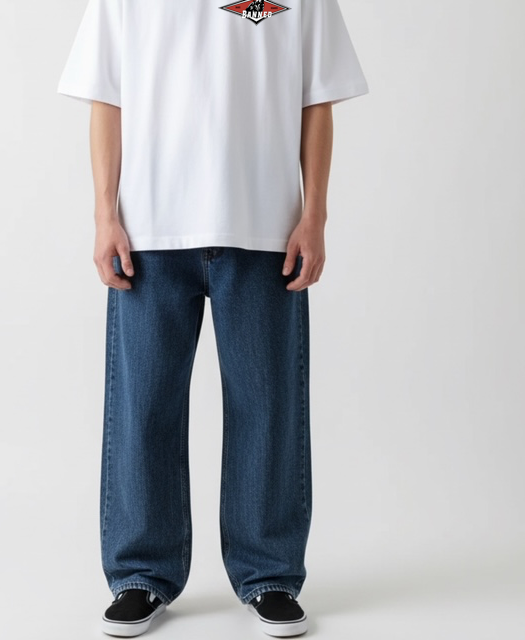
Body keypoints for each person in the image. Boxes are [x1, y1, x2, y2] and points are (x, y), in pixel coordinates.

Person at [57, 0, 368, 636]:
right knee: (143, 407)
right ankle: (141, 574)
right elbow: (106, 98)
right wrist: (104, 215)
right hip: (149, 231)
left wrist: (315, 215)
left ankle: (270, 573)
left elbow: (316, 100)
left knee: (269, 407)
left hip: (265, 229)